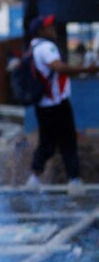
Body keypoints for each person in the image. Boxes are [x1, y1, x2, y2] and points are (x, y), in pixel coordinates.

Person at [25, 14, 97, 195]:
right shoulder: (47, 47)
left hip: (44, 105)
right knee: (67, 142)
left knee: (47, 143)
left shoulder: (33, 48)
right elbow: (59, 68)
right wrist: (87, 69)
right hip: (56, 103)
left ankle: (34, 178)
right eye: (49, 26)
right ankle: (74, 181)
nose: (53, 29)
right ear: (41, 30)